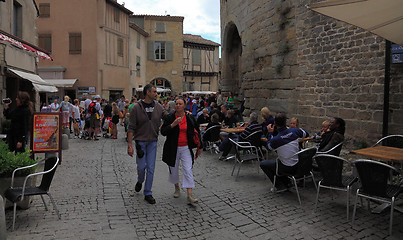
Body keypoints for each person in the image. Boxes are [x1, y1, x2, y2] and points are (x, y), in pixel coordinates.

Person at [127, 84, 168, 204]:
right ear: (147, 93)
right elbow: (131, 127)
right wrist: (130, 145)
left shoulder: (158, 106)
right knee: (141, 167)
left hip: (152, 142)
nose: (156, 94)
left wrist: (179, 114)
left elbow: (167, 117)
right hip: (140, 142)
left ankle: (148, 192)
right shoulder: (136, 107)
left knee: (151, 168)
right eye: (154, 92)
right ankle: (140, 180)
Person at [161, 98, 201, 204]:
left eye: (180, 104)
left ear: (184, 105)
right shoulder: (170, 117)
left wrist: (200, 146)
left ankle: (189, 194)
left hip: (185, 148)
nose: (178, 105)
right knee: (173, 170)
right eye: (177, 104)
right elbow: (163, 132)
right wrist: (172, 125)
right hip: (172, 148)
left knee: (188, 169)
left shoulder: (189, 118)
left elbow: (197, 131)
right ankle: (177, 187)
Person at [260, 113, 309, 190]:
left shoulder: (276, 139)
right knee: (280, 159)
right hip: (298, 165)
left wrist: (270, 133)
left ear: (275, 123)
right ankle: (286, 182)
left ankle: (280, 185)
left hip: (287, 167)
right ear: (286, 122)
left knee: (263, 164)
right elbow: (306, 134)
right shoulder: (294, 131)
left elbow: (269, 148)